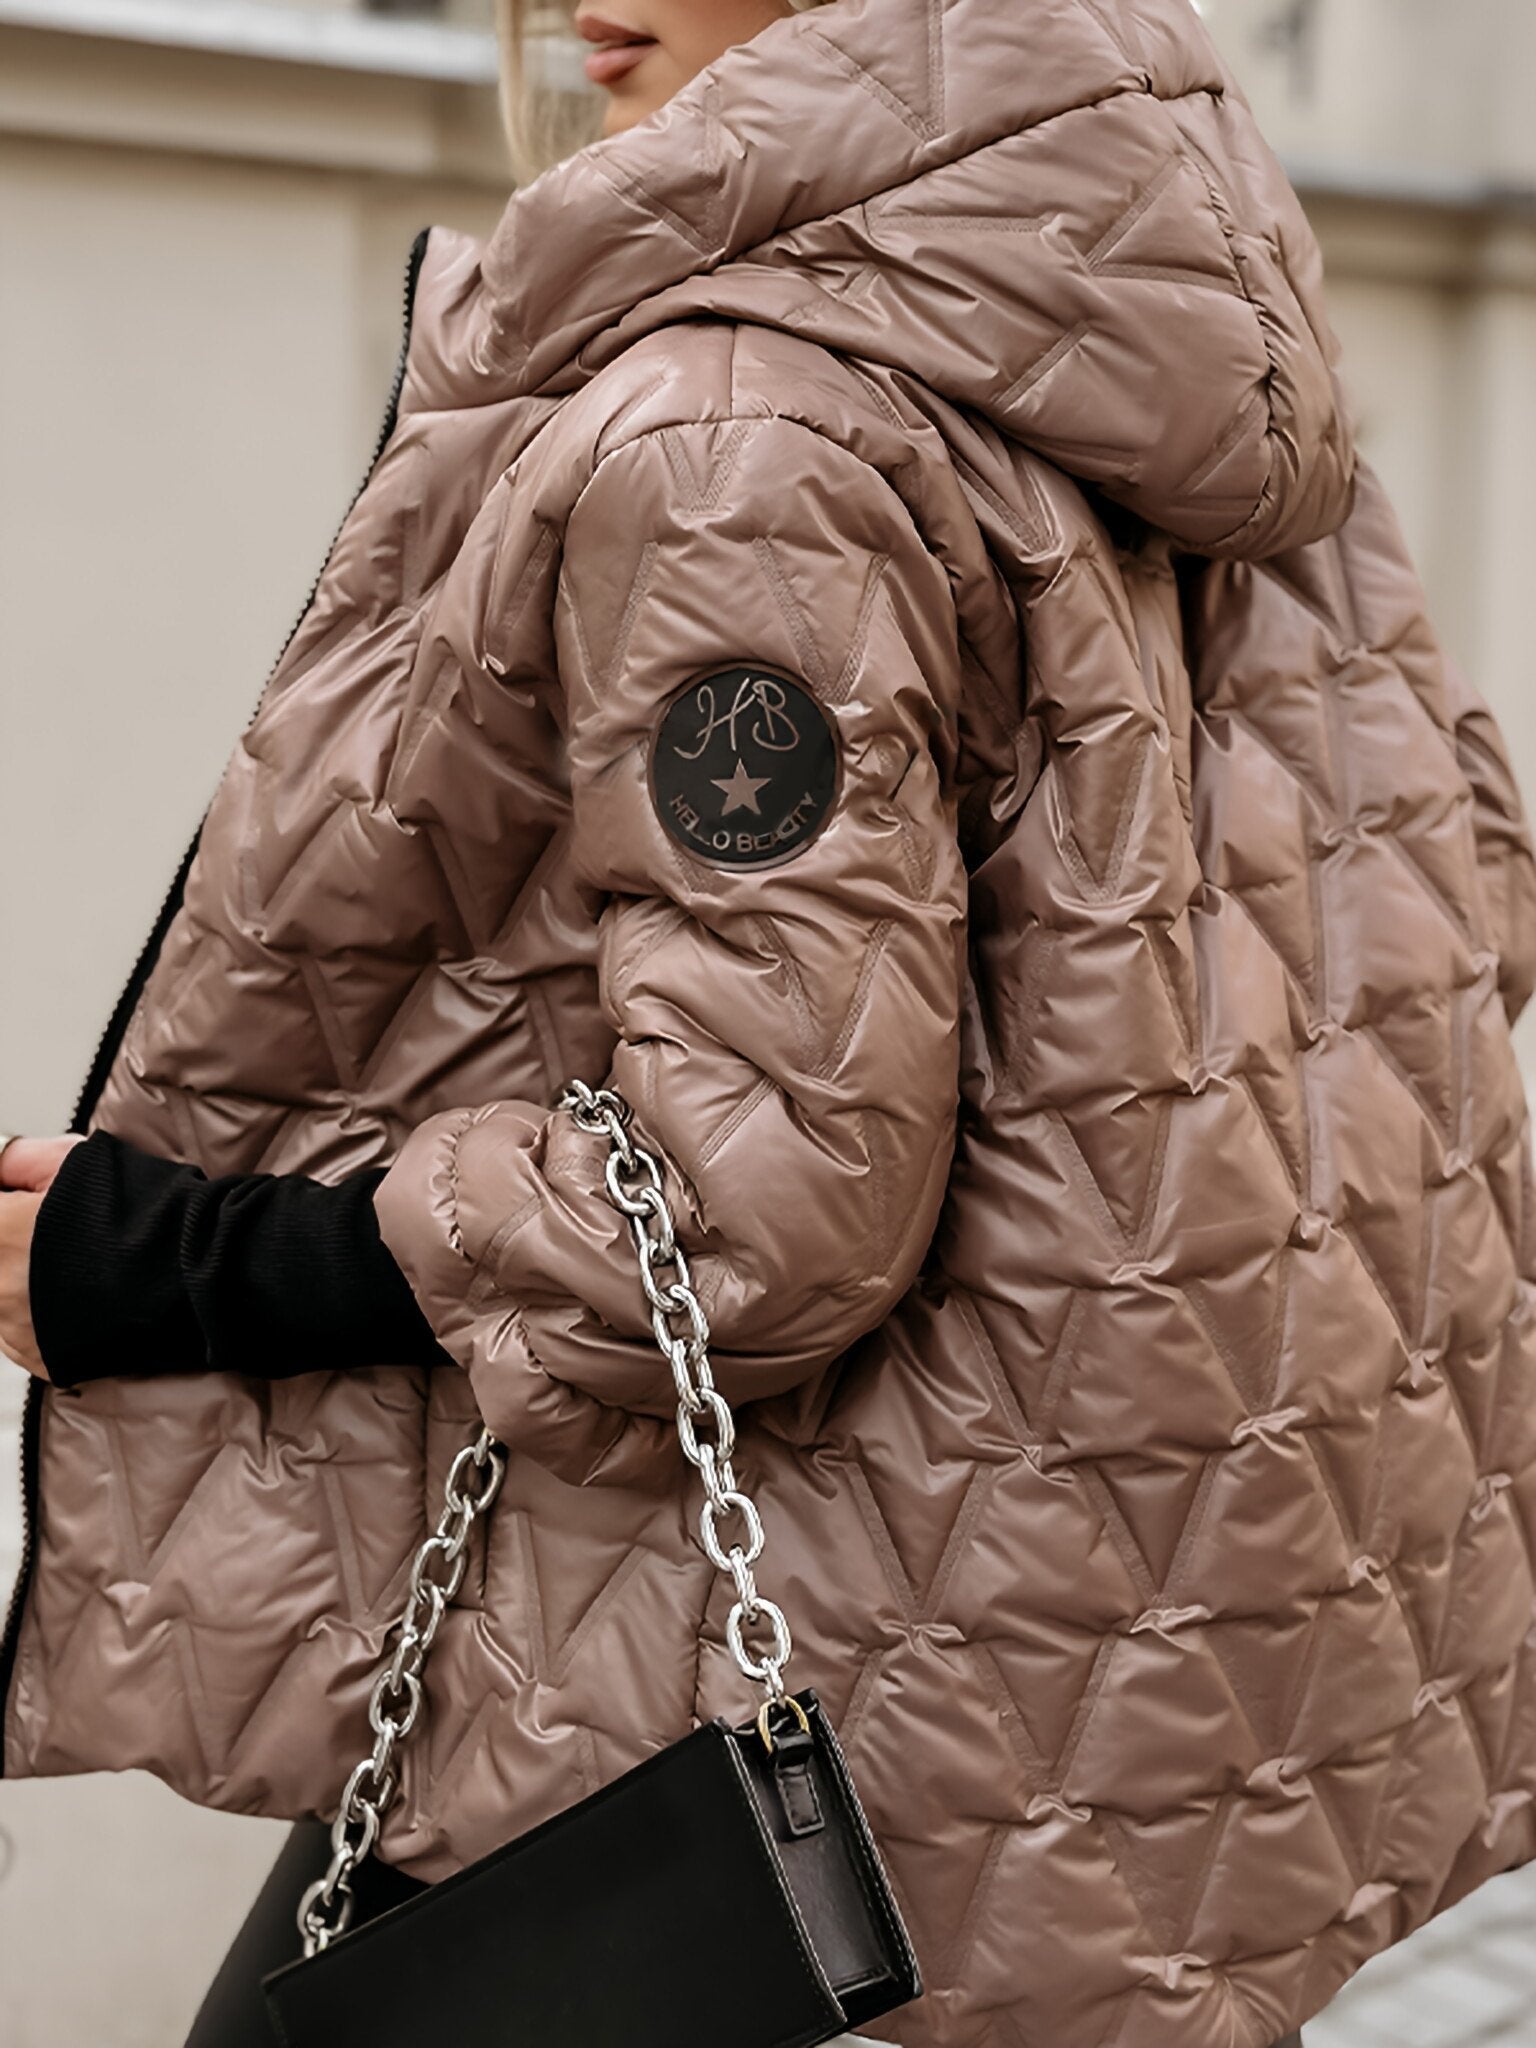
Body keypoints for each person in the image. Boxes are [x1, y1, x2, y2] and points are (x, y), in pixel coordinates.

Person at [1, 0, 1532, 2043]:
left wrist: (171, 1264)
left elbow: (753, 1212)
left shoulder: (741, 440)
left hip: (869, 1689)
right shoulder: (1203, 329)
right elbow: (1458, 879)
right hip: (1189, 1668)